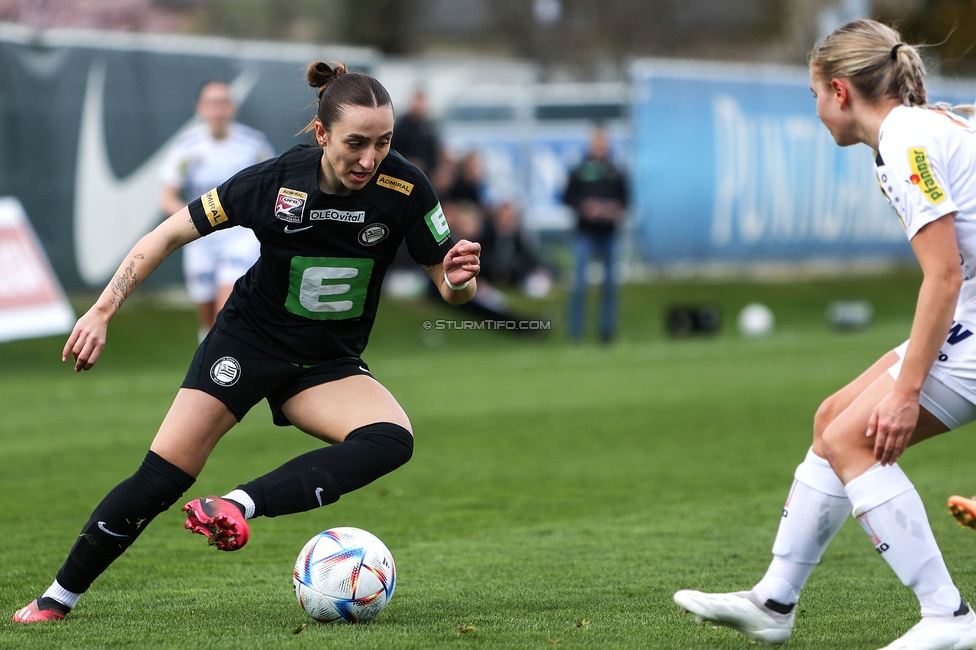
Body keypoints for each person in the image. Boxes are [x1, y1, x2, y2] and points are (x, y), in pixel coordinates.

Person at [12, 61, 480, 623]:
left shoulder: (406, 187)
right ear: (322, 134)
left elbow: (447, 284)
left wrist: (457, 280)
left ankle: (238, 504)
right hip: (247, 341)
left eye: (383, 142)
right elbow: (168, 233)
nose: (369, 159)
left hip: (326, 361)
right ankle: (55, 600)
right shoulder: (273, 182)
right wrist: (104, 308)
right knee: (161, 478)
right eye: (356, 143)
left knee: (391, 439)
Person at [673, 19, 976, 650]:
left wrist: (906, 390)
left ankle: (948, 617)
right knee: (832, 418)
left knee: (853, 440)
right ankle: (774, 601)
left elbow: (943, 276)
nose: (814, 110)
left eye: (813, 94)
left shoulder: (904, 142)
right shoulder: (917, 131)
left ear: (840, 91)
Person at [159, 80, 275, 341]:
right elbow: (166, 199)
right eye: (211, 103)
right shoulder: (186, 147)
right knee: (208, 319)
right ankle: (208, 359)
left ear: (232, 107)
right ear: (200, 108)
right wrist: (197, 221)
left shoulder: (254, 145)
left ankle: (225, 368)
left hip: (239, 237)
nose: (217, 110)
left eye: (223, 103)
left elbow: (270, 191)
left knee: (226, 311)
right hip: (199, 238)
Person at [563, 126, 627, 343]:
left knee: (610, 285)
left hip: (608, 233)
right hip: (585, 233)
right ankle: (576, 332)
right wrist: (585, 206)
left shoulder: (615, 170)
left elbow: (625, 200)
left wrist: (614, 210)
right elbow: (566, 197)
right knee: (579, 284)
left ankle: (607, 331)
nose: (600, 147)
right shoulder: (580, 169)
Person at [392, 89, 441, 176]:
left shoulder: (428, 127)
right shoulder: (401, 126)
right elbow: (393, 148)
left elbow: (432, 153)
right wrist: (408, 161)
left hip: (423, 174)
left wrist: (424, 164)